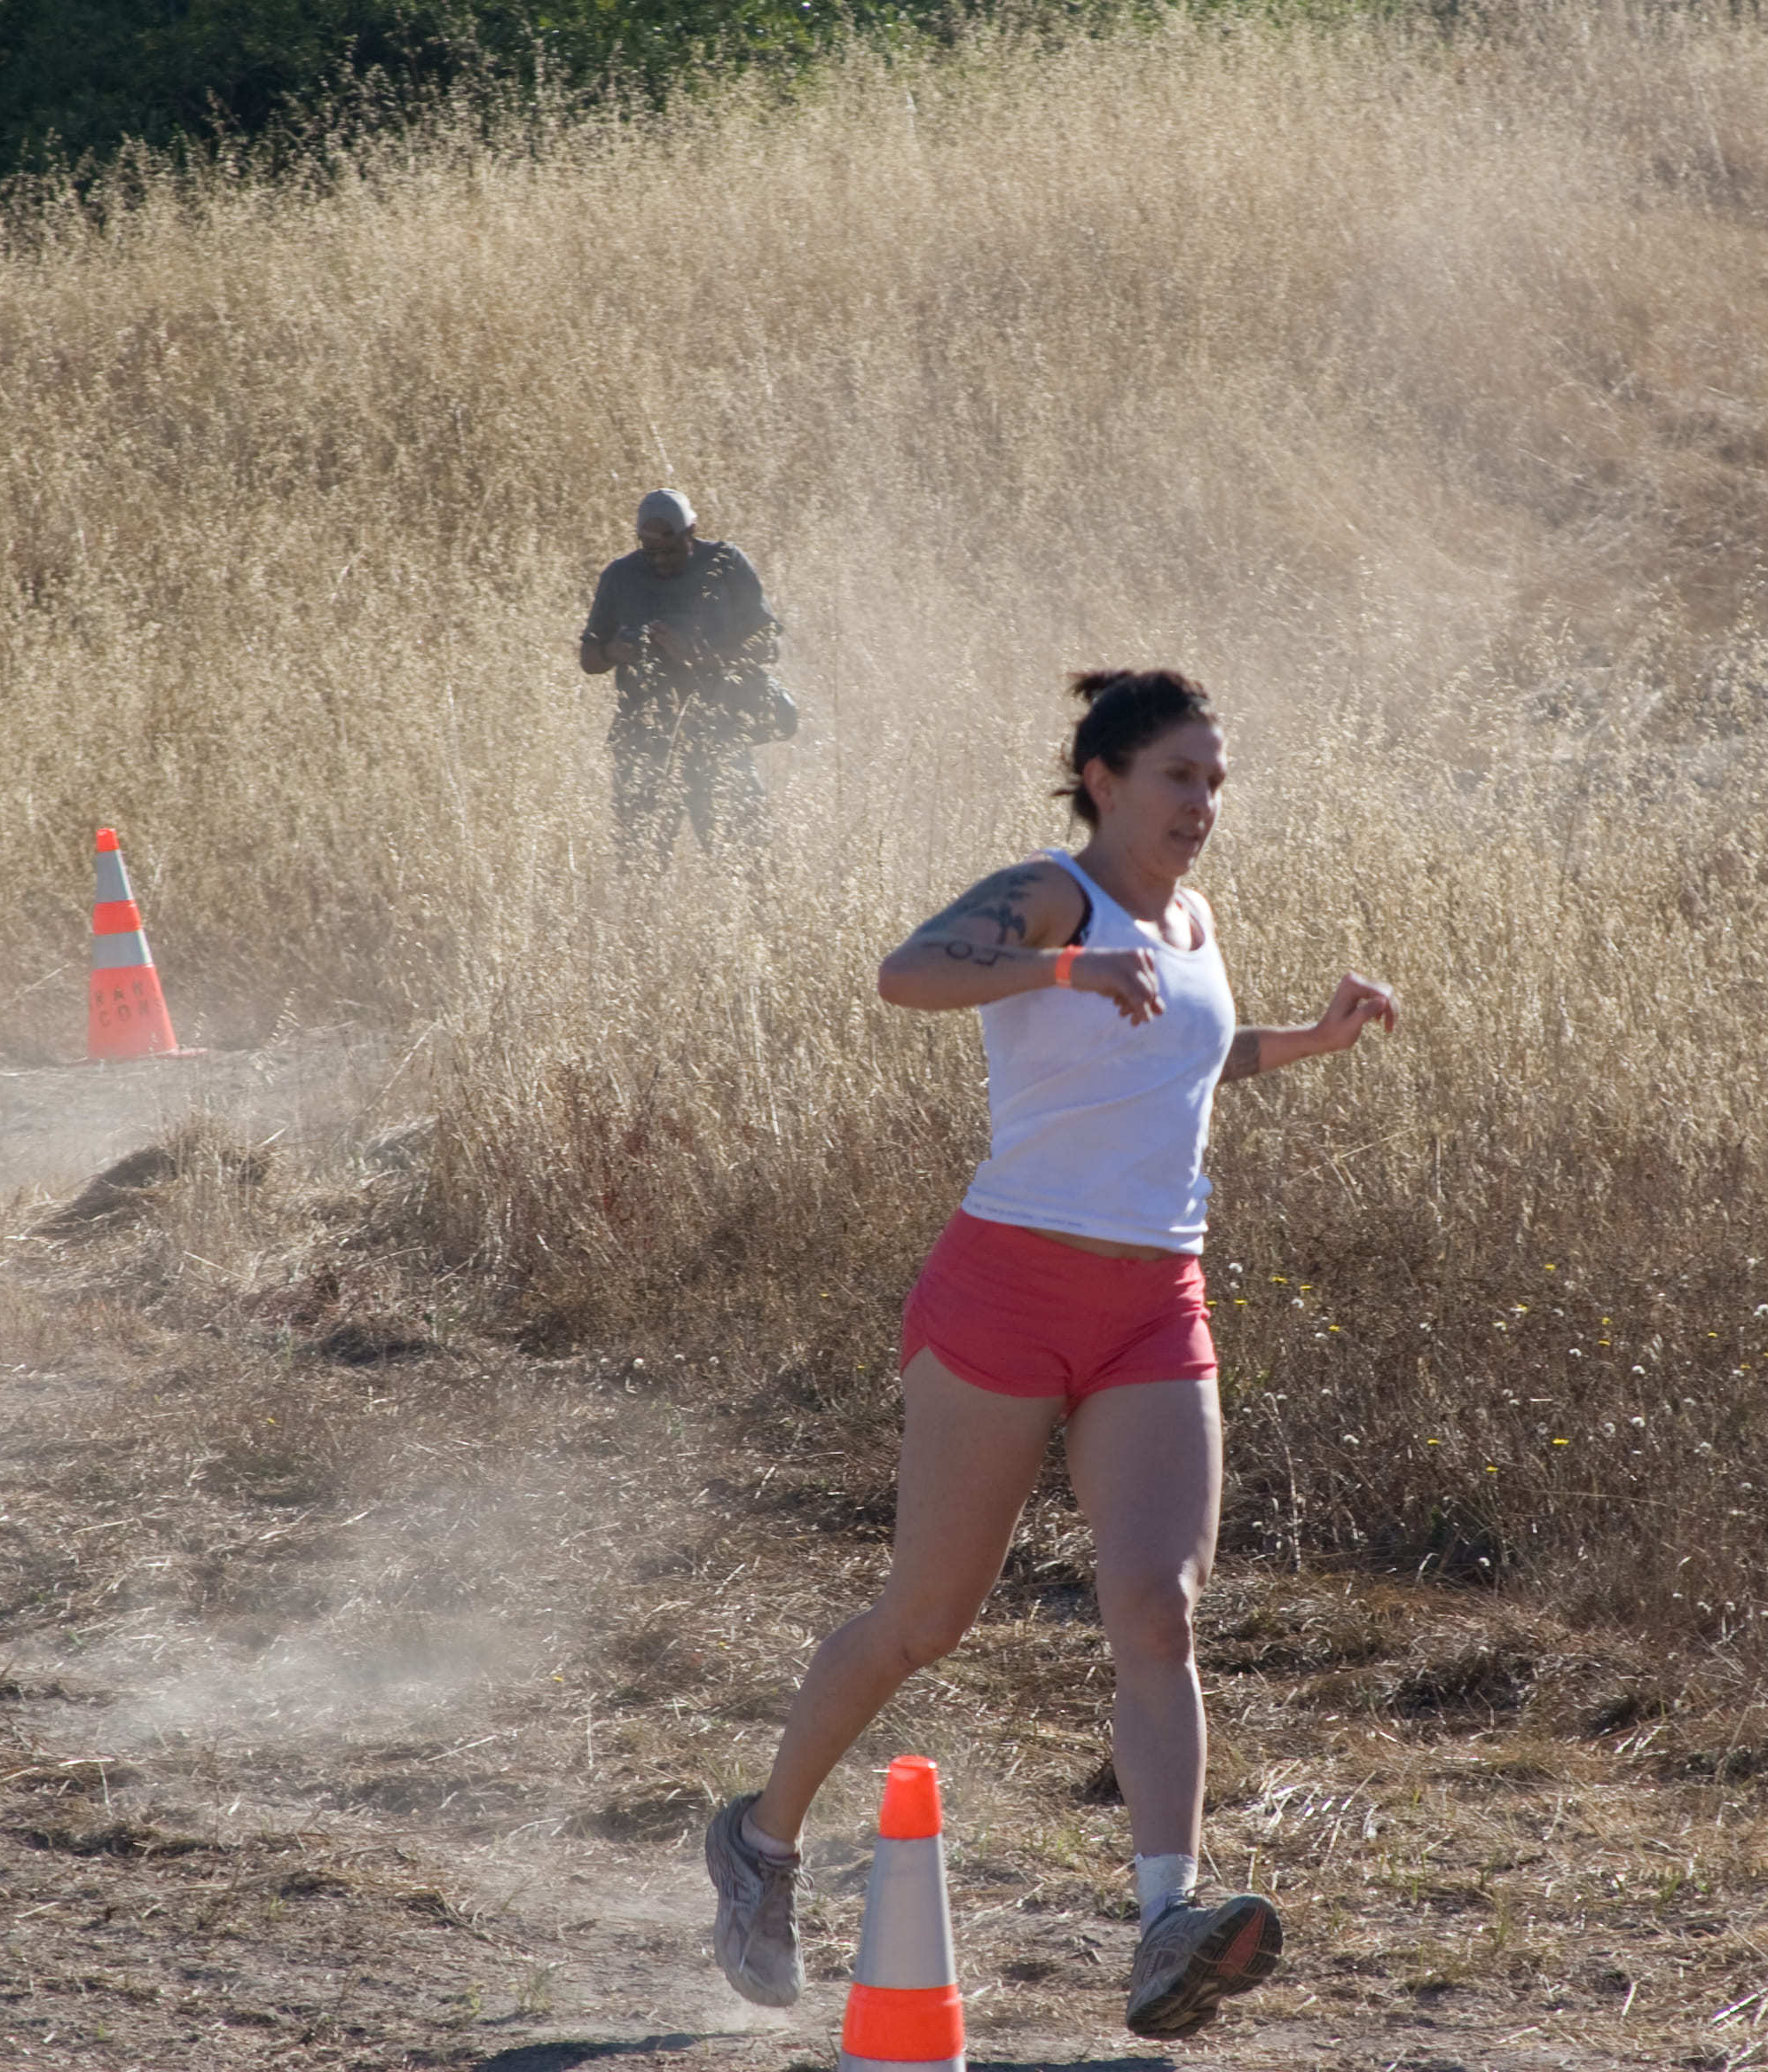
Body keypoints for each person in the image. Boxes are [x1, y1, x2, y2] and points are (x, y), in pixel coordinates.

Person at [702, 670, 1398, 2040]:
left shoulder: (1191, 922)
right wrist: (1064, 963)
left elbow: (1178, 1061)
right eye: (1178, 778)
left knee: (1158, 1610)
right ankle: (762, 1842)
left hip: (1157, 1304)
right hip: (1007, 1291)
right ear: (1104, 780)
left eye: (1215, 780)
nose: (1203, 805)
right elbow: (907, 976)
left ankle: (1163, 1927)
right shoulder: (1048, 898)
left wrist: (1307, 1042)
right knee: (928, 1622)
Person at [577, 490, 782, 860]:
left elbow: (767, 645)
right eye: (649, 551)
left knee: (748, 865)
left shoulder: (725, 563)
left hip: (718, 736)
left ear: (692, 532)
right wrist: (613, 652)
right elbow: (589, 657)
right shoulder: (620, 576)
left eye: (670, 550)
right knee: (639, 869)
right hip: (644, 742)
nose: (660, 562)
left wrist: (700, 656)